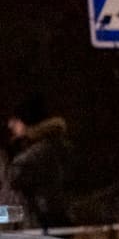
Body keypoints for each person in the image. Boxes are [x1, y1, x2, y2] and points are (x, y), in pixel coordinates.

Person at [6, 94, 72, 230]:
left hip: (39, 234)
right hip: (59, 231)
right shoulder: (58, 148)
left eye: (16, 119)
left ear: (27, 121)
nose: (10, 124)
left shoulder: (28, 161)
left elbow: (19, 211)